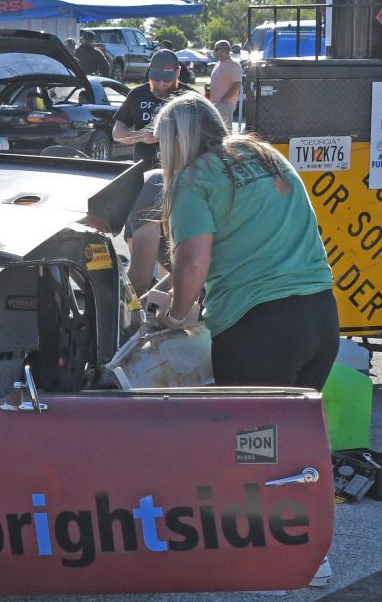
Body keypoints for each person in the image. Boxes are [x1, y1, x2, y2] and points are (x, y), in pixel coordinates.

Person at [144, 91, 337, 390]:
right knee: (293, 433)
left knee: (249, 434)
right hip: (321, 315)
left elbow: (194, 261)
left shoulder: (194, 178)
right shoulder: (265, 154)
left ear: (174, 142)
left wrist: (177, 316)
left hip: (258, 329)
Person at [113, 49, 198, 292]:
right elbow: (117, 133)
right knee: (136, 245)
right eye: (156, 78)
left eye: (167, 79)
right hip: (142, 184)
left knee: (171, 248)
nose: (161, 84)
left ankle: (165, 301)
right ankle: (137, 302)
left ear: (178, 73)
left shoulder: (190, 97)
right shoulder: (138, 95)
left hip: (180, 182)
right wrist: (141, 136)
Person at [208, 39, 242, 130]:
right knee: (216, 131)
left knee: (225, 131)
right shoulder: (218, 63)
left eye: (216, 49)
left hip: (225, 104)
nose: (214, 52)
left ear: (223, 50)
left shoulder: (234, 65)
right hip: (216, 104)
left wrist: (225, 98)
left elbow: (237, 84)